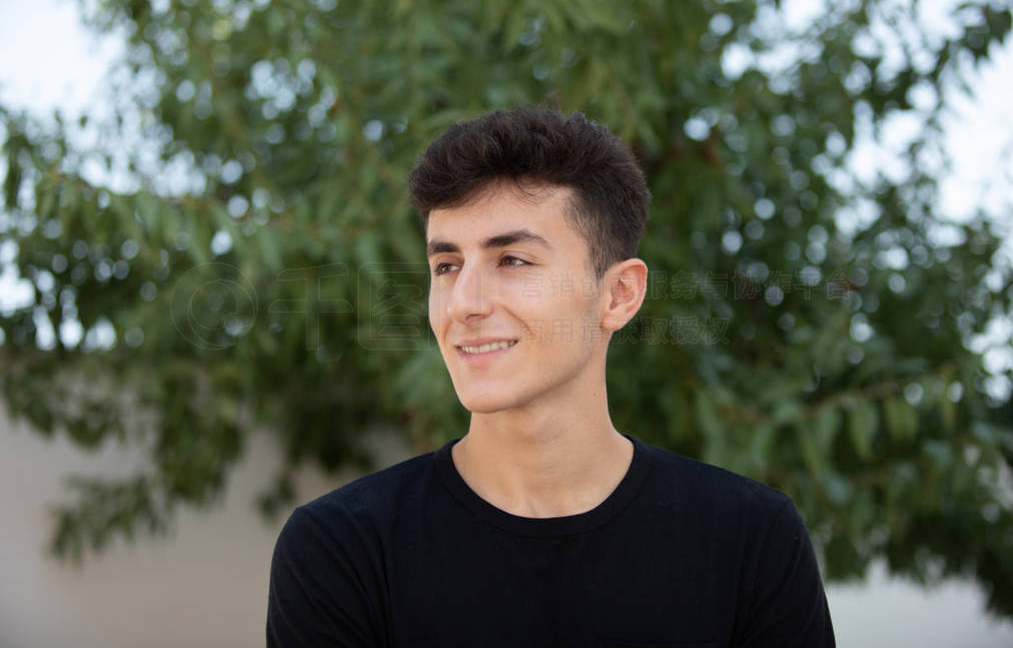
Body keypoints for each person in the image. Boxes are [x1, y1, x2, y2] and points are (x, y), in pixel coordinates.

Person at [266, 107, 835, 647]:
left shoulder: (750, 540)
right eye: (446, 266)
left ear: (618, 295)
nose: (463, 303)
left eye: (512, 260)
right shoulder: (342, 548)